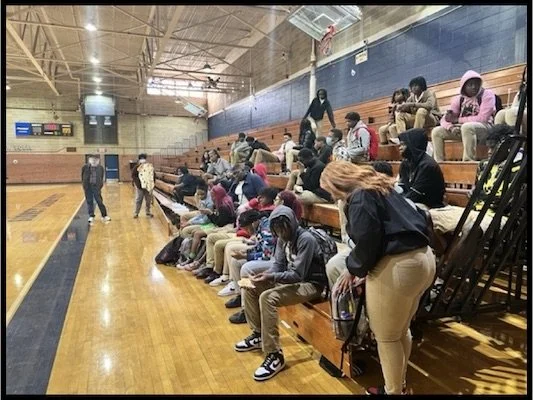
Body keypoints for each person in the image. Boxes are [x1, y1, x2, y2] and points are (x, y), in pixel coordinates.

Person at [320, 161, 436, 395]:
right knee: (400, 330)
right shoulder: (380, 186)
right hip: (424, 259)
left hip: (399, 265)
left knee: (387, 337)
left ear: (337, 183)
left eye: (330, 190)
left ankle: (394, 392)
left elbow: (368, 241)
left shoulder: (360, 197)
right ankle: (399, 385)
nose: (332, 196)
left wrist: (353, 269)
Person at [234, 206, 327, 381]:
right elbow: (278, 265)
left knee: (268, 297)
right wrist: (264, 276)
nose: (281, 233)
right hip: (295, 280)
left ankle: (275, 354)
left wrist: (271, 277)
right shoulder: (282, 239)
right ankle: (258, 334)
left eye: (284, 229)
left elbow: (297, 275)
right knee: (250, 286)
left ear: (292, 223)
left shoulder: (305, 239)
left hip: (312, 284)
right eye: (277, 230)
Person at [225, 209, 277, 324]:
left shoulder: (266, 228)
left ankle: (247, 310)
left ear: (253, 223)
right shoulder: (260, 226)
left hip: (276, 261)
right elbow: (260, 247)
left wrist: (246, 256)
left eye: (247, 228)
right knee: (236, 262)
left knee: (246, 268)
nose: (247, 232)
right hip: (269, 257)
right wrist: (246, 253)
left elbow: (266, 255)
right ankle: (240, 295)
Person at [431, 70, 496, 161]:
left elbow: (483, 118)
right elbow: (445, 119)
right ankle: (439, 162)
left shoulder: (487, 94)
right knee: (437, 131)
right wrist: (451, 128)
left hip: (485, 128)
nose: (474, 87)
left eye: (476, 84)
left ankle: (468, 161)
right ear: (464, 87)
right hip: (464, 129)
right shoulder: (459, 99)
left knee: (467, 127)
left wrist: (458, 120)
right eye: (470, 85)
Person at [180, 184, 236, 266]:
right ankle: (189, 255)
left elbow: (219, 223)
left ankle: (191, 257)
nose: (212, 198)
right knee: (194, 231)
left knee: (197, 234)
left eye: (213, 196)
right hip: (217, 224)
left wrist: (210, 213)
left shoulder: (223, 206)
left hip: (225, 227)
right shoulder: (220, 203)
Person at [397, 129, 446, 209]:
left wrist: (398, 204)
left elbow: (415, 194)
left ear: (413, 145)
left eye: (403, 145)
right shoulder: (405, 164)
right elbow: (401, 187)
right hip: (412, 202)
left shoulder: (428, 165)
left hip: (430, 206)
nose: (400, 148)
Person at [81, 155, 110, 223]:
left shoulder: (100, 168)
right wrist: (84, 185)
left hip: (96, 187)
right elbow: (82, 176)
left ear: (98, 160)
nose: (94, 161)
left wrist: (100, 185)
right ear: (89, 160)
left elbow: (101, 177)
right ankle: (91, 216)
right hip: (88, 187)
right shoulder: (85, 167)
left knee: (99, 201)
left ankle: (104, 215)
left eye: (96, 159)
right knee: (89, 201)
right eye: (92, 159)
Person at [132, 153, 155, 218]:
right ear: (139, 159)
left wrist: (152, 184)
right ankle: (136, 213)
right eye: (141, 159)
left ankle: (148, 212)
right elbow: (133, 175)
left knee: (148, 200)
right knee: (139, 199)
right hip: (140, 187)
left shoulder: (149, 167)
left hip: (148, 186)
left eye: (144, 158)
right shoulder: (136, 167)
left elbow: (152, 175)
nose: (143, 160)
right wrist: (138, 183)